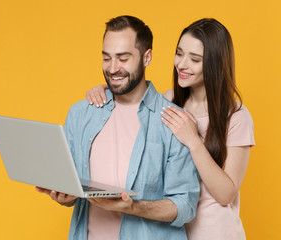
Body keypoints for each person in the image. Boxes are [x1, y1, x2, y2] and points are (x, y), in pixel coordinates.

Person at [86, 18, 255, 240]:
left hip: (215, 233)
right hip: (170, 232)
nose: (181, 64)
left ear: (215, 63)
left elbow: (226, 194)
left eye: (194, 59)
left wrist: (193, 141)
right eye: (179, 53)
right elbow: (133, 96)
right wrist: (107, 90)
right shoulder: (169, 102)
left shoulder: (236, 116)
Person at [36, 15, 200, 240]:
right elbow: (72, 183)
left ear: (147, 57)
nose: (113, 68)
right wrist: (66, 196)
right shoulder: (80, 113)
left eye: (123, 58)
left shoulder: (173, 121)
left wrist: (132, 207)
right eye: (107, 58)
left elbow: (185, 205)